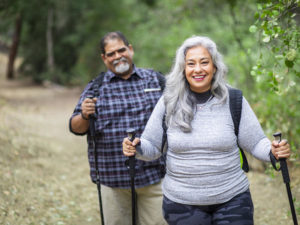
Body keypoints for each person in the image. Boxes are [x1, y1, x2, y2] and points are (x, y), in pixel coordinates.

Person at [123, 35, 291, 225]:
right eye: (191, 63)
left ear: (215, 67)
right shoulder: (168, 102)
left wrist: (273, 151)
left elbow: (255, 142)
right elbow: (152, 146)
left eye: (204, 62)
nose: (198, 69)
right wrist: (135, 147)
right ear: (183, 69)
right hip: (182, 204)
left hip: (233, 200)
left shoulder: (233, 100)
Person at [69, 31, 167, 225]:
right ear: (104, 59)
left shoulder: (156, 81)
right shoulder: (95, 88)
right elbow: (75, 127)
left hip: (155, 176)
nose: (117, 56)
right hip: (112, 180)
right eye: (111, 54)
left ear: (130, 49)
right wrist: (84, 115)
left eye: (121, 50)